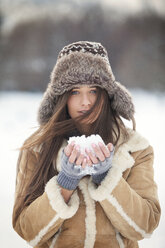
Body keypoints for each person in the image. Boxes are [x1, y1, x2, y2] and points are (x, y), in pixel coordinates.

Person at [12, 41, 161, 248]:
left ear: (107, 94)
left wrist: (106, 178)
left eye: (93, 91)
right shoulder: (37, 148)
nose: (85, 102)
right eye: (74, 91)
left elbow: (145, 226)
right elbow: (27, 230)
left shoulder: (135, 149)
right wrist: (65, 183)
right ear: (62, 97)